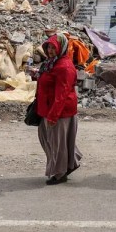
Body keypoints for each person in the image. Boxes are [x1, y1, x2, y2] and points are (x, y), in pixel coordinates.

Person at [35, 33, 82, 186]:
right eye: (48, 47)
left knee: (57, 144)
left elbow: (61, 94)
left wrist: (53, 116)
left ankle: (60, 173)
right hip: (48, 109)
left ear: (61, 48)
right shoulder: (52, 63)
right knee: (53, 142)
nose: (49, 51)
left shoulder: (64, 67)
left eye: (53, 47)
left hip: (59, 113)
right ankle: (69, 164)